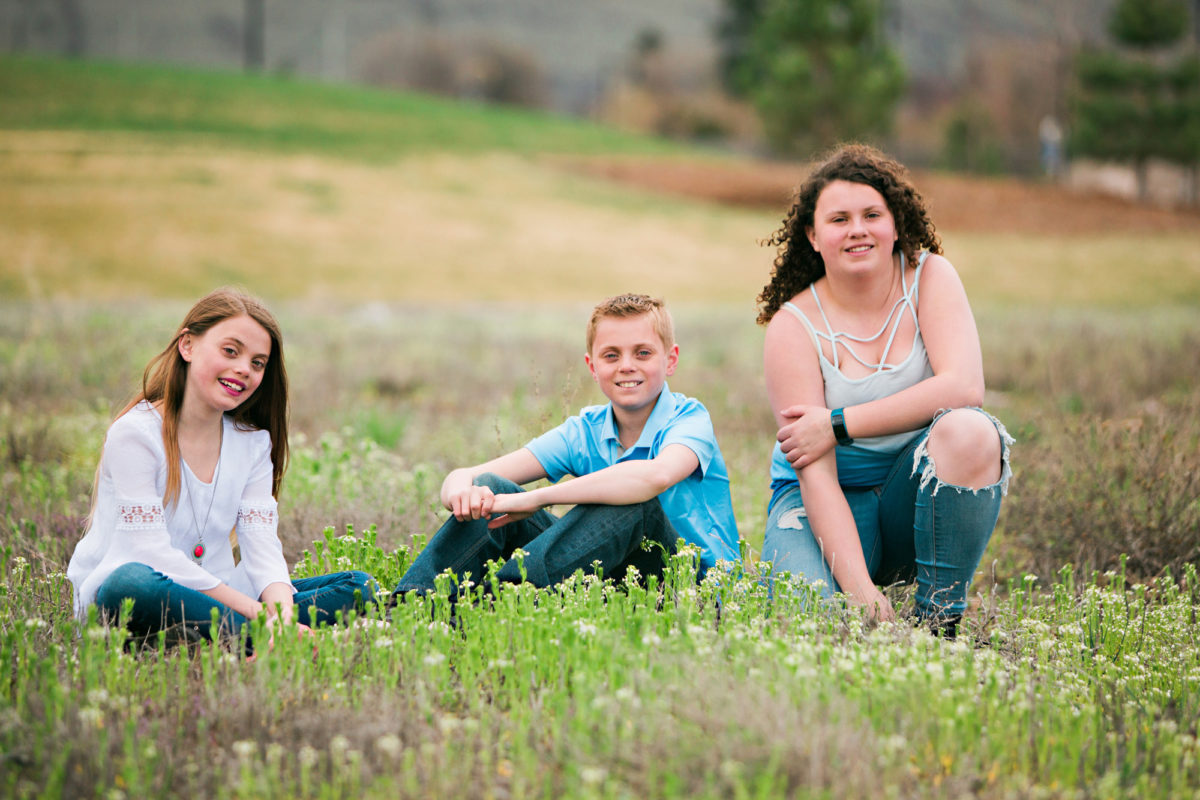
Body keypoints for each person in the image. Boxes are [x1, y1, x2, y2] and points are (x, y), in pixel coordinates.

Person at [756, 144, 1013, 634]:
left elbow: (963, 386)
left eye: (872, 214)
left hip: (911, 498)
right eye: (839, 219)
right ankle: (861, 590)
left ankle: (939, 617)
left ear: (896, 223)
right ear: (812, 235)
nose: (858, 229)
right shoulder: (792, 327)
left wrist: (838, 424)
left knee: (970, 431)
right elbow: (816, 474)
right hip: (823, 501)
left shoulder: (930, 277)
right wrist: (864, 596)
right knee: (810, 625)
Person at [68, 288, 375, 651]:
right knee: (131, 583)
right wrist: (256, 613)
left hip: (217, 597)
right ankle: (265, 640)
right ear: (188, 346)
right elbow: (147, 553)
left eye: (258, 363)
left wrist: (282, 616)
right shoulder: (135, 434)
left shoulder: (253, 444)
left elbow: (261, 546)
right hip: (132, 598)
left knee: (358, 587)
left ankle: (253, 639)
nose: (244, 368)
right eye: (230, 351)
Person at [393, 293, 739, 598]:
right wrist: (461, 491)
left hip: (691, 589)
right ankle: (412, 603)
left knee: (636, 503)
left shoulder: (690, 419)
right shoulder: (585, 430)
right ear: (592, 366)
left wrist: (536, 497)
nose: (627, 366)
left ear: (671, 359)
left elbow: (654, 477)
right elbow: (468, 476)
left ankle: (500, 601)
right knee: (490, 487)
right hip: (614, 583)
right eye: (611, 355)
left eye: (643, 353)